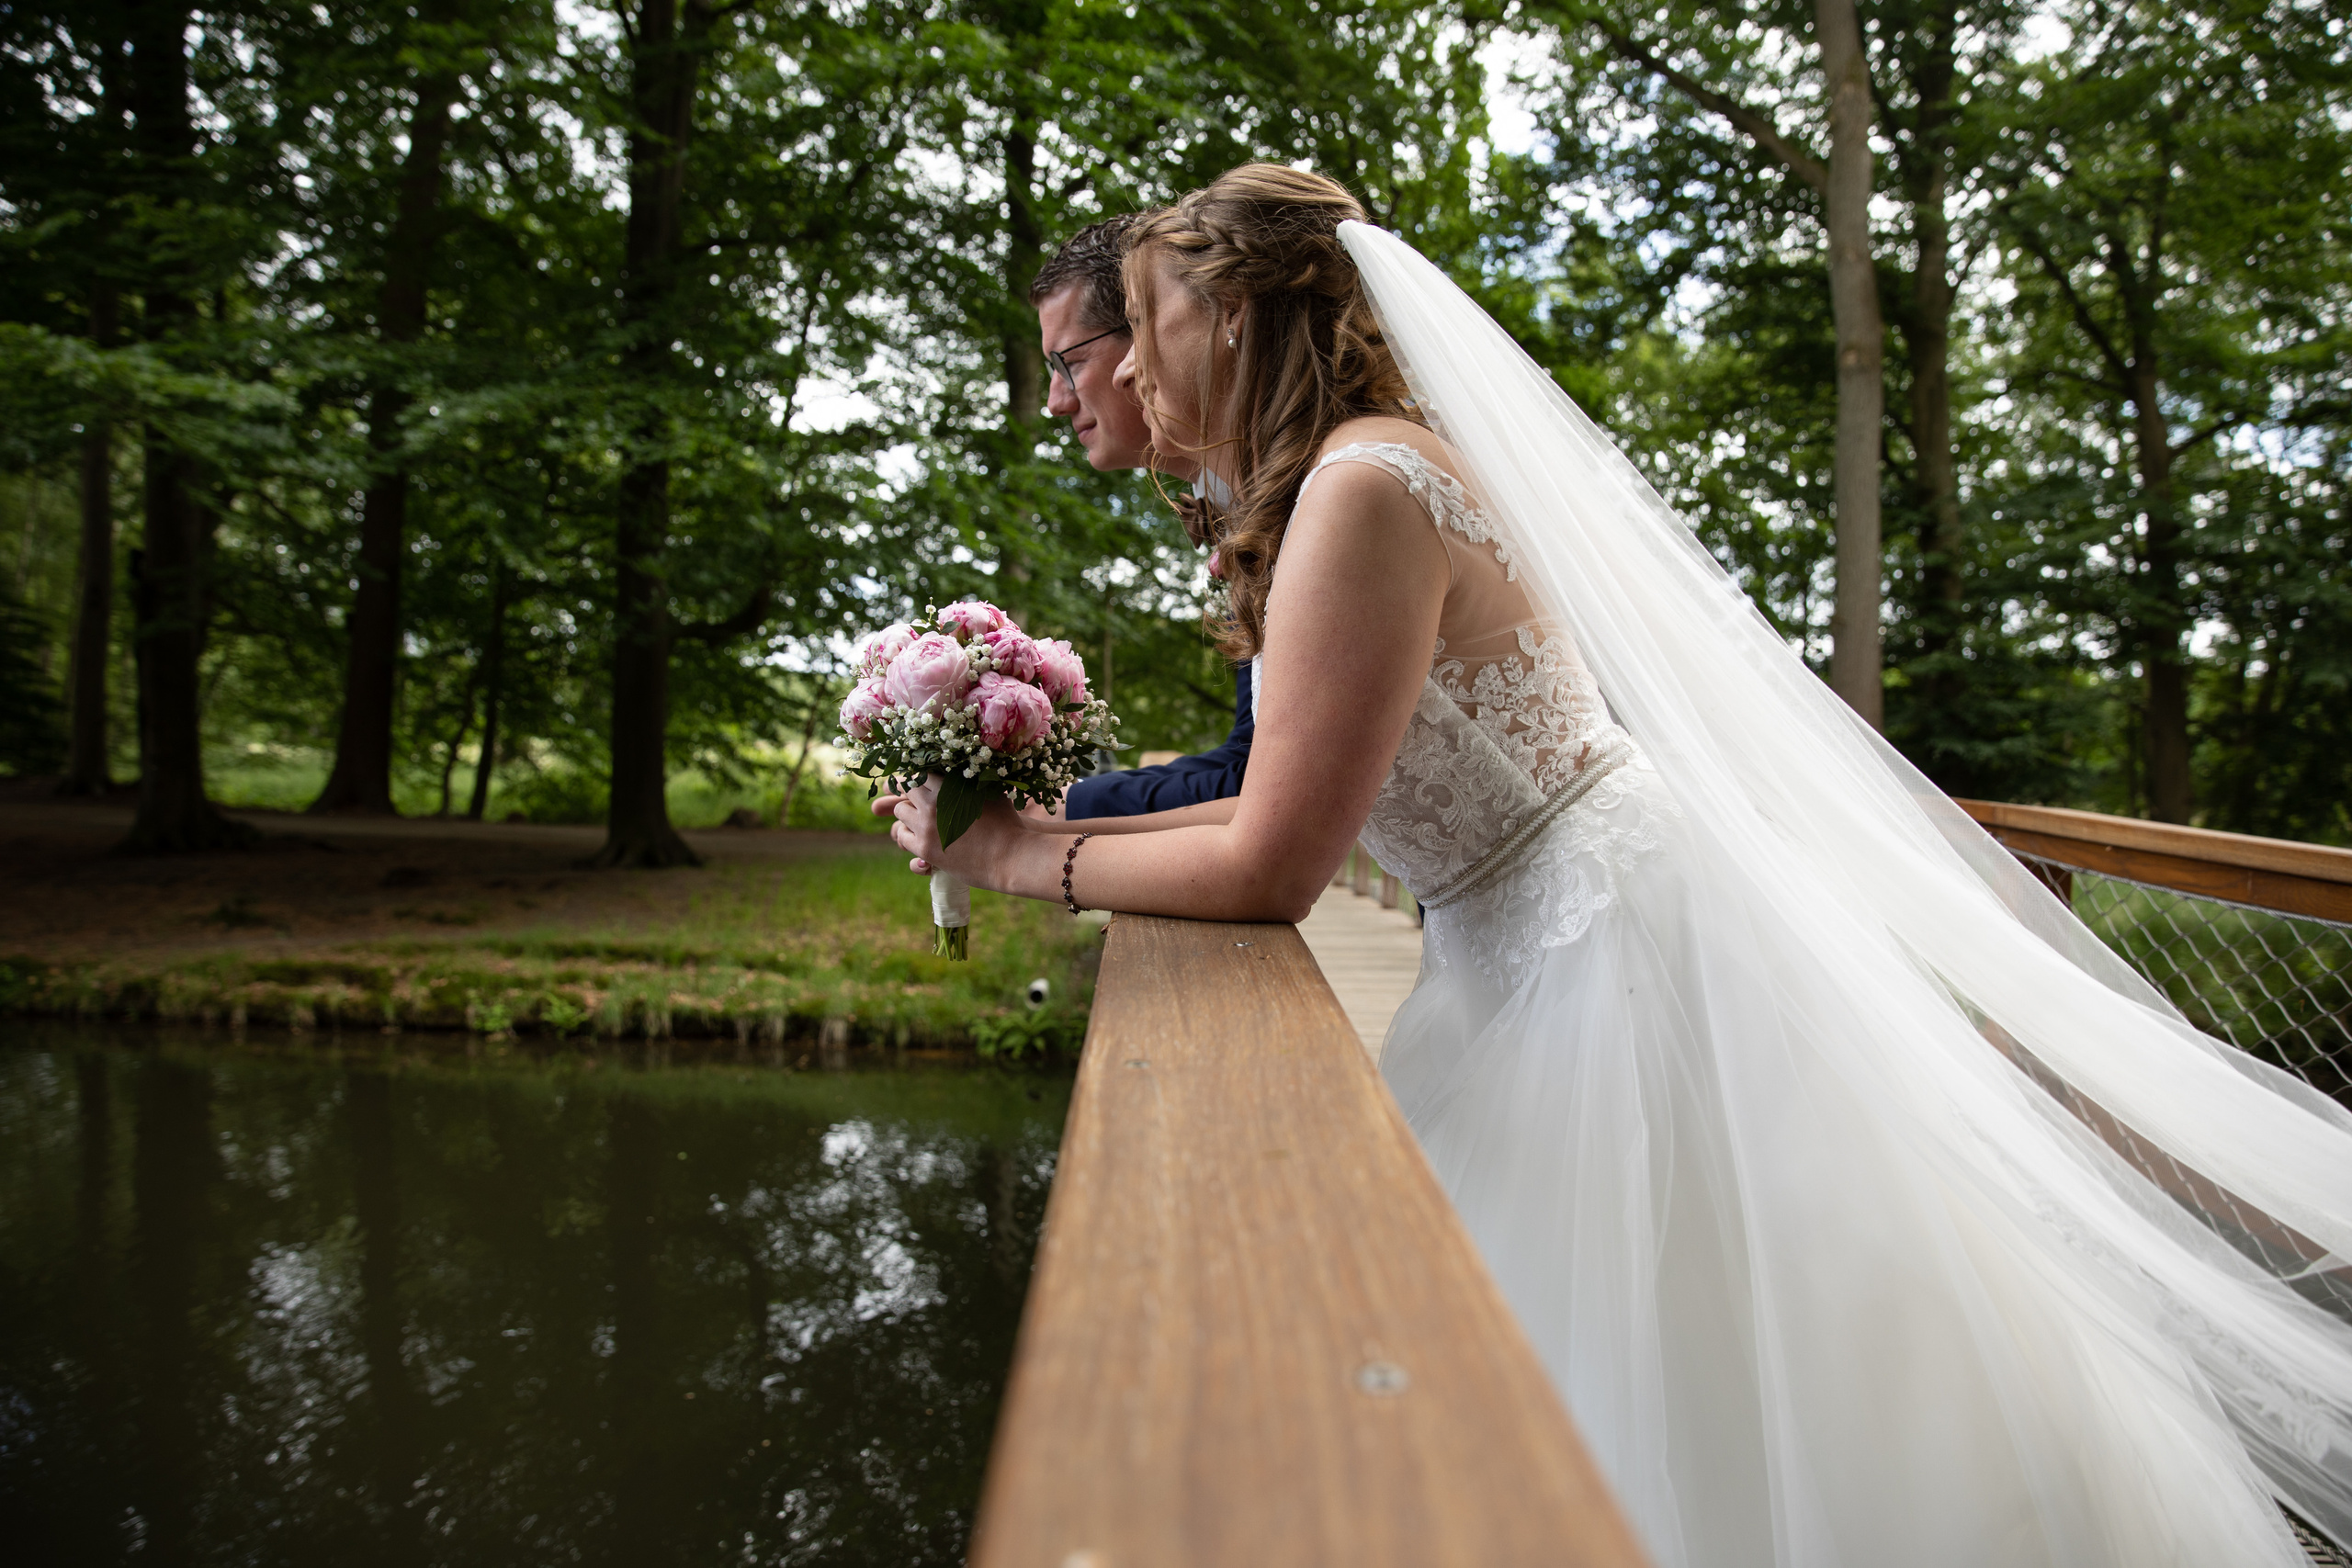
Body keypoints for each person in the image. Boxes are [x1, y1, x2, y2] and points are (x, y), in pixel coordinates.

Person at [881, 165, 2352, 1566]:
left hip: (1610, 950)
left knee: (1747, 1348)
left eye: (1147, 321)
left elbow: (1271, 859)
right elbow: (1274, 797)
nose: (1130, 365)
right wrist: (1025, 827)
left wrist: (1025, 861)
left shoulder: (1361, 491)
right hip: (1525, 939)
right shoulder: (1354, 476)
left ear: (1238, 313)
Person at [1027, 216, 1252, 819]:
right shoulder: (1240, 503)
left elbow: (1254, 777)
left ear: (1145, 331)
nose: (1055, 399)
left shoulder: (1319, 496)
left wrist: (1038, 820)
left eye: (1067, 360)